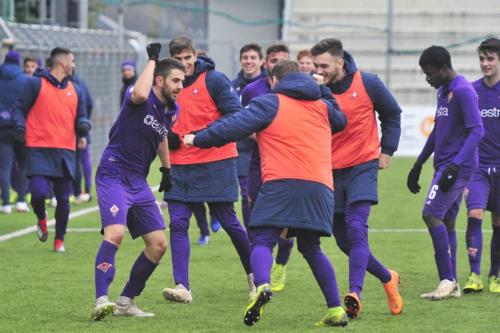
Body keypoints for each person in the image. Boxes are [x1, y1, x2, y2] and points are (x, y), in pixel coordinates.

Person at [183, 60, 348, 327]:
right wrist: (324, 91)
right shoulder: (322, 106)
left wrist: (197, 138)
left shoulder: (270, 102)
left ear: (273, 80)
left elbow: (233, 126)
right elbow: (341, 120)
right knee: (311, 247)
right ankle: (336, 309)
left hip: (281, 182)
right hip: (320, 186)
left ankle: (261, 286)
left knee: (262, 239)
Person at [311, 38, 403, 318]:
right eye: (315, 65)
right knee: (341, 240)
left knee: (355, 226)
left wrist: (387, 150)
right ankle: (388, 277)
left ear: (340, 63)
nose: (318, 70)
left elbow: (392, 114)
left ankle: (355, 293)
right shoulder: (313, 89)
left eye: (323, 65)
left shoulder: (368, 83)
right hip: (329, 170)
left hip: (363, 165)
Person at [91, 44, 182, 320]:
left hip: (138, 181)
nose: (180, 86)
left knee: (158, 244)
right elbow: (141, 92)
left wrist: (167, 169)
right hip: (113, 173)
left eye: (183, 81)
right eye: (176, 80)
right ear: (159, 79)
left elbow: (163, 135)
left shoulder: (171, 109)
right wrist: (152, 59)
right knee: (115, 233)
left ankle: (125, 302)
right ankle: (101, 299)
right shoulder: (138, 94)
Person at [162, 36, 253, 303]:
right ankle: (182, 286)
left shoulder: (214, 80)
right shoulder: (165, 83)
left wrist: (202, 135)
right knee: (177, 223)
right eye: (177, 60)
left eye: (187, 58)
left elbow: (235, 115)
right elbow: (155, 118)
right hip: (179, 166)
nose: (184, 64)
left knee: (229, 222)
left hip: (217, 162)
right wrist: (167, 136)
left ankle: (255, 276)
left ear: (195, 56)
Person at [407, 45, 484, 300]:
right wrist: (418, 164)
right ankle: (453, 284)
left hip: (458, 166)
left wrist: (455, 165)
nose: (426, 77)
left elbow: (477, 131)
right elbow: (438, 131)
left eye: (428, 72)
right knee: (447, 221)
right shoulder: (443, 92)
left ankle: (447, 279)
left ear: (443, 68)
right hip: (445, 165)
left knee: (430, 214)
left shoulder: (463, 91)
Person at [11, 47, 91, 252]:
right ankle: (41, 217)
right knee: (38, 193)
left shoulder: (77, 89)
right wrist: (19, 127)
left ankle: (59, 240)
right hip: (38, 148)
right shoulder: (35, 83)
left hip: (65, 151)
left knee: (64, 198)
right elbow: (18, 108)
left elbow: (81, 115)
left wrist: (83, 126)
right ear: (62, 63)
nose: (74, 65)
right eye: (72, 61)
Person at [240, 42, 293, 293]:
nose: (278, 65)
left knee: (286, 227)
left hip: (289, 166)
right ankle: (258, 280)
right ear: (266, 64)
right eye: (274, 61)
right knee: (255, 222)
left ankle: (280, 264)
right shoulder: (252, 90)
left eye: (283, 61)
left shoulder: (300, 91)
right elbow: (245, 125)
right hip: (258, 163)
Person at [462, 38, 500, 293]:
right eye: (482, 59)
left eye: (490, 59)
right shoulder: (472, 92)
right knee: (474, 214)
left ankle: (495, 275)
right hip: (477, 169)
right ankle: (474, 276)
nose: (485, 64)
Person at [232, 43, 267, 227]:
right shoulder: (233, 87)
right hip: (243, 151)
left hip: (268, 149)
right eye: (245, 57)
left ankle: (280, 240)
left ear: (261, 61)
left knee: (268, 194)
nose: (249, 61)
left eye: (253, 57)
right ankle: (252, 238)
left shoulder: (270, 84)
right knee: (247, 195)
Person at [0, 50, 29, 214]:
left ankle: (5, 203)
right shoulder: (25, 80)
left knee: (4, 166)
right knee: (23, 164)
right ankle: (21, 201)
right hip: (21, 128)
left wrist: (3, 113)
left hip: (2, 128)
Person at [70, 72, 94, 204]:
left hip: (75, 129)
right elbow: (90, 103)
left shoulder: (71, 85)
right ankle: (87, 189)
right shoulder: (81, 83)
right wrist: (84, 120)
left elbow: (89, 103)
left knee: (75, 160)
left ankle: (75, 191)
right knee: (83, 160)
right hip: (82, 126)